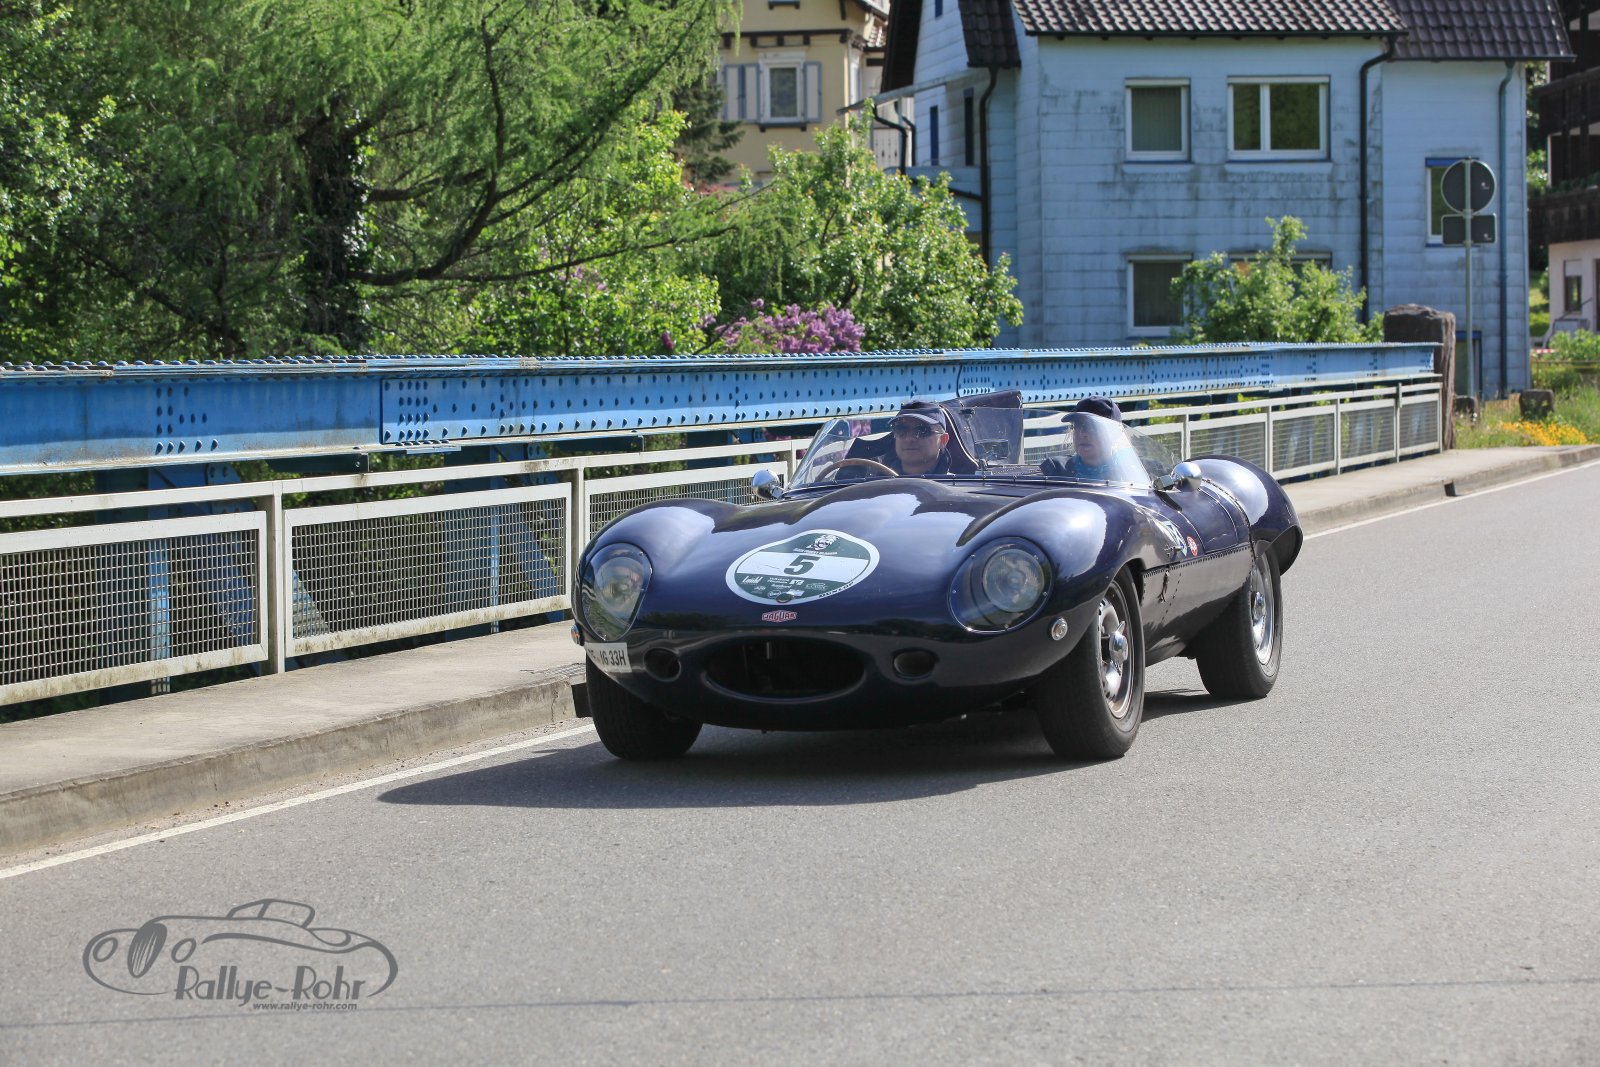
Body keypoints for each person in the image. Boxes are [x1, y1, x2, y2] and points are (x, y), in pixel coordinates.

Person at [1042, 395, 1141, 481]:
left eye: (1093, 426)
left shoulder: (1132, 473)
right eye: (1077, 425)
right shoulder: (1055, 470)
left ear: (1115, 433)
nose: (1083, 433)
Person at [885, 400, 953, 476]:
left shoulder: (955, 482)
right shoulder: (878, 479)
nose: (909, 439)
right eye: (901, 430)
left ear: (943, 440)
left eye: (922, 431)